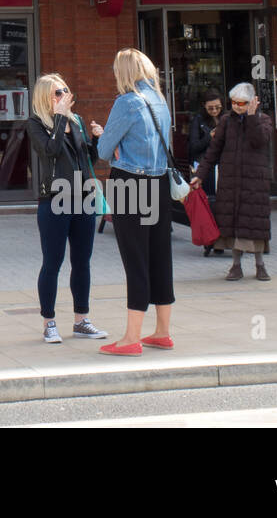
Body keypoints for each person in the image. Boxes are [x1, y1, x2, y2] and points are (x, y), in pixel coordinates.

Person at [94, 48, 175, 356]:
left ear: (123, 72)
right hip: (160, 183)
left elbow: (103, 150)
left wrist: (110, 143)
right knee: (159, 255)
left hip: (130, 184)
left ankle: (131, 338)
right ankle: (163, 332)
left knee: (136, 259)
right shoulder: (159, 100)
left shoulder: (126, 102)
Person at [25, 73, 107, 344]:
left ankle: (81, 319)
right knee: (53, 262)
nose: (63, 96)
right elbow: (50, 150)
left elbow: (87, 160)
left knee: (82, 262)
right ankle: (49, 322)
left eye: (65, 91)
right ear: (45, 98)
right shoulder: (36, 123)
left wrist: (96, 140)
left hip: (83, 198)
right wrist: (60, 118)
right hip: (55, 200)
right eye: (56, 93)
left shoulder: (78, 121)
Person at [195, 82, 274, 281]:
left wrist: (251, 117)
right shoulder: (226, 121)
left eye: (242, 103)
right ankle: (236, 265)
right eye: (234, 102)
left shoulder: (263, 120)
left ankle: (260, 264)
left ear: (252, 102)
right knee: (233, 224)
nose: (237, 106)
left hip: (254, 182)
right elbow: (214, 150)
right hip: (230, 179)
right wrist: (200, 174)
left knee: (253, 225)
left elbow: (259, 141)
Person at [186, 90, 226, 257]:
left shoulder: (227, 119)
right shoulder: (198, 120)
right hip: (206, 167)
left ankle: (224, 239)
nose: (215, 111)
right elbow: (193, 147)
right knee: (210, 203)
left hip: (223, 165)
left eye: (218, 107)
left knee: (224, 203)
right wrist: (209, 137)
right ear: (204, 107)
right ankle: (212, 241)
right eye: (211, 108)